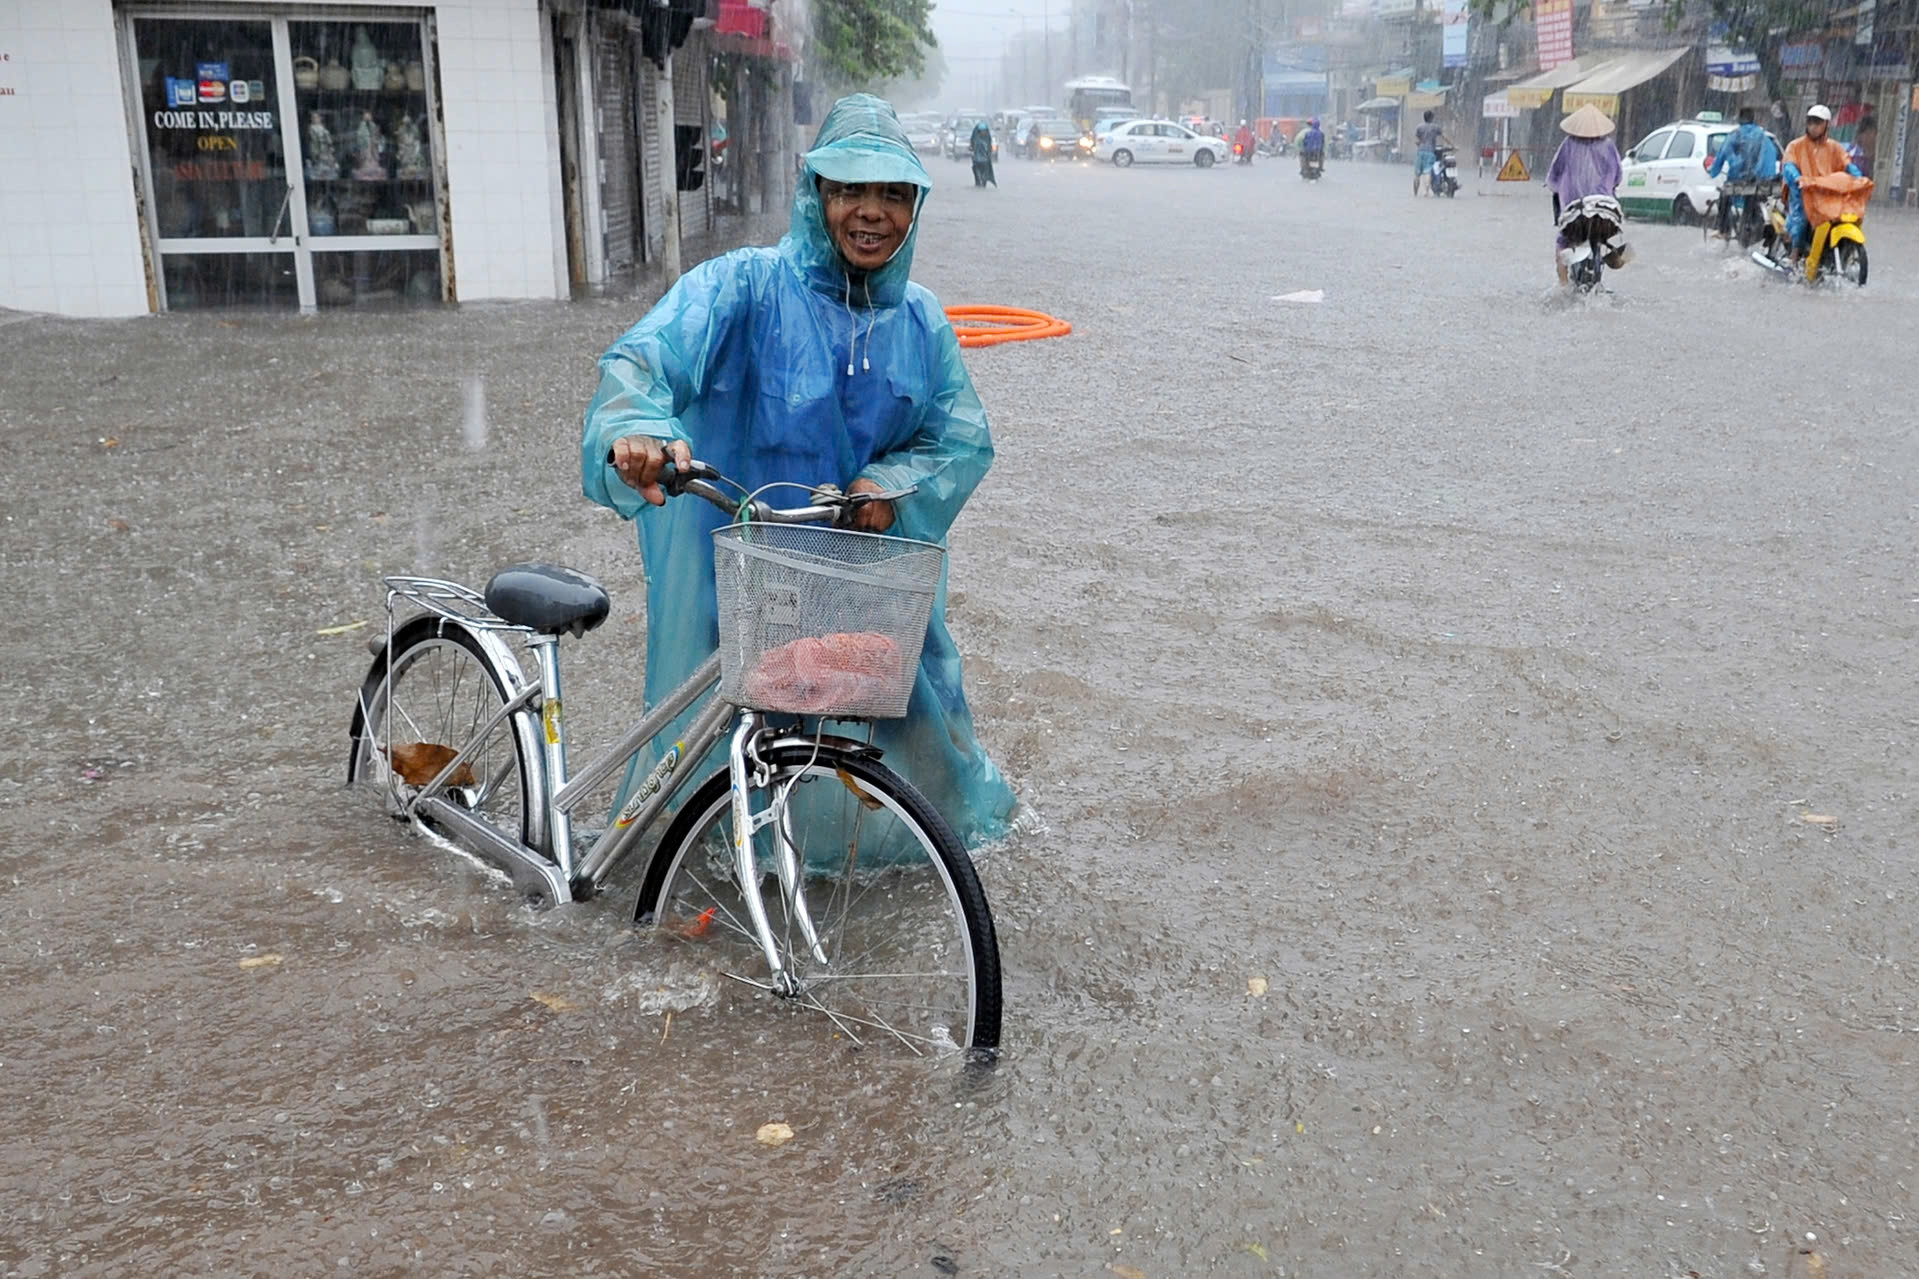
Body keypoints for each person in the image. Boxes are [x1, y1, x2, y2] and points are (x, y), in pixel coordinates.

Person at [580, 93, 1017, 849]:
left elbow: (960, 442)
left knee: (923, 748)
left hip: (872, 590)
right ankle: (720, 864)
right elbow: (646, 358)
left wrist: (890, 485)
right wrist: (639, 428)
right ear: (815, 196)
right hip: (748, 580)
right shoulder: (741, 289)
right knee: (727, 754)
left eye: (892, 194)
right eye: (849, 189)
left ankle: (911, 868)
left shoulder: (924, 324)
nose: (870, 212)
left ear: (915, 206)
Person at [1546, 103, 1627, 286]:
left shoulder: (1567, 145)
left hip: (1573, 209)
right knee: (1606, 235)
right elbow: (1617, 176)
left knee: (1562, 242)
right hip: (1602, 209)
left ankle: (1563, 285)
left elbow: (1553, 177)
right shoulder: (1608, 146)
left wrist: (1559, 187)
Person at [1782, 104, 1862, 264]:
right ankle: (1794, 257)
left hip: (1829, 196)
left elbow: (1847, 164)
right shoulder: (1795, 146)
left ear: (1826, 124)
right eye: (1810, 122)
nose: (1813, 127)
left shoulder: (1835, 147)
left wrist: (1859, 178)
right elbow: (1789, 166)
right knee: (1801, 222)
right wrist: (1798, 179)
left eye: (1817, 123)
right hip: (1804, 195)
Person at [1707, 106, 1781, 239]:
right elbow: (1771, 157)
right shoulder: (1763, 136)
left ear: (1740, 119)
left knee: (1725, 195)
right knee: (1753, 197)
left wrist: (1714, 171)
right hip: (1762, 180)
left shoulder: (1735, 135)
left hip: (1738, 180)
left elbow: (1723, 154)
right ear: (1753, 119)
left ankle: (1723, 230)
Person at [1414, 110, 1446, 195]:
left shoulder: (1419, 127)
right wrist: (1452, 145)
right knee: (1427, 172)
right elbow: (1444, 137)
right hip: (1430, 152)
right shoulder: (1436, 127)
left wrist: (1420, 144)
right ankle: (1426, 191)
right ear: (1432, 118)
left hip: (1420, 151)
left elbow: (1416, 141)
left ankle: (1415, 193)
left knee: (1417, 174)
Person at [1847, 115, 1877, 179]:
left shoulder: (1879, 153)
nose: (1870, 136)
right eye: (1867, 133)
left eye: (1871, 133)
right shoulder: (1854, 155)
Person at [970, 119, 997, 188]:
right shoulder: (975, 138)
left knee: (985, 169)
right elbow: (972, 146)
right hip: (977, 159)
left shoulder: (987, 139)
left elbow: (989, 148)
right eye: (981, 131)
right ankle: (978, 181)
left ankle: (984, 179)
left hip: (984, 159)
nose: (983, 132)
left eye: (984, 131)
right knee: (974, 168)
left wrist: (989, 153)